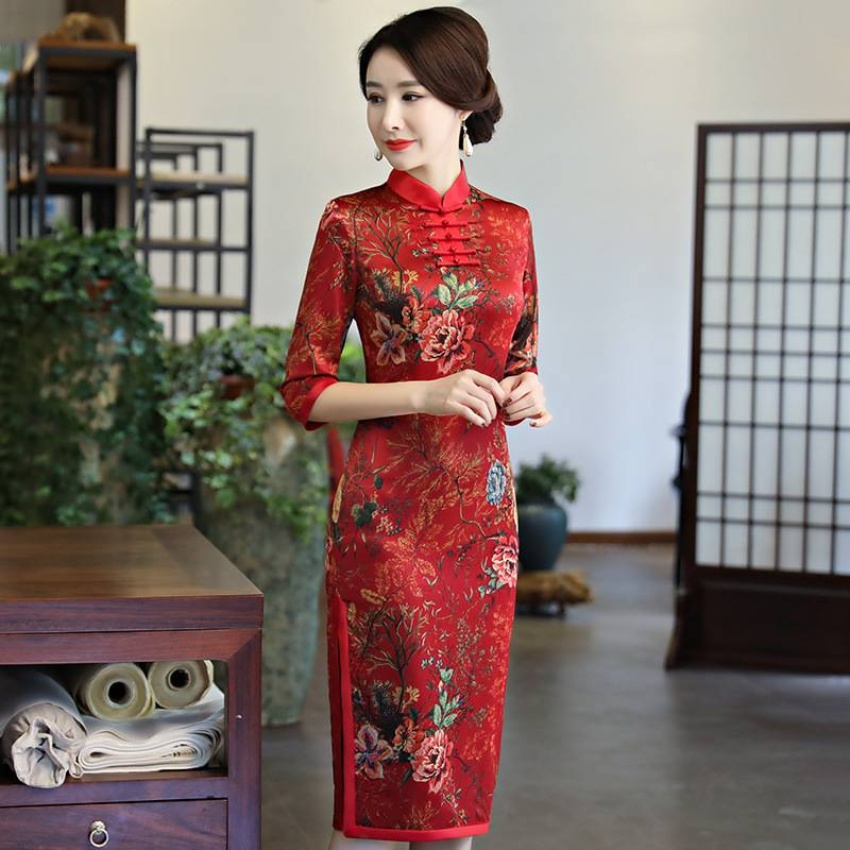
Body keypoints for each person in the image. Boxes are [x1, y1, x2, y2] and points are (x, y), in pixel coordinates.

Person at [281, 7, 551, 848]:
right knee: (391, 755)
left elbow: (520, 356)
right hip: (387, 518)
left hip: (483, 520)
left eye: (411, 95)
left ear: (464, 101)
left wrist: (527, 390)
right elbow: (304, 390)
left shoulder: (512, 226)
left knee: (461, 763)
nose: (388, 118)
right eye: (374, 96)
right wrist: (423, 394)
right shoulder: (349, 222)